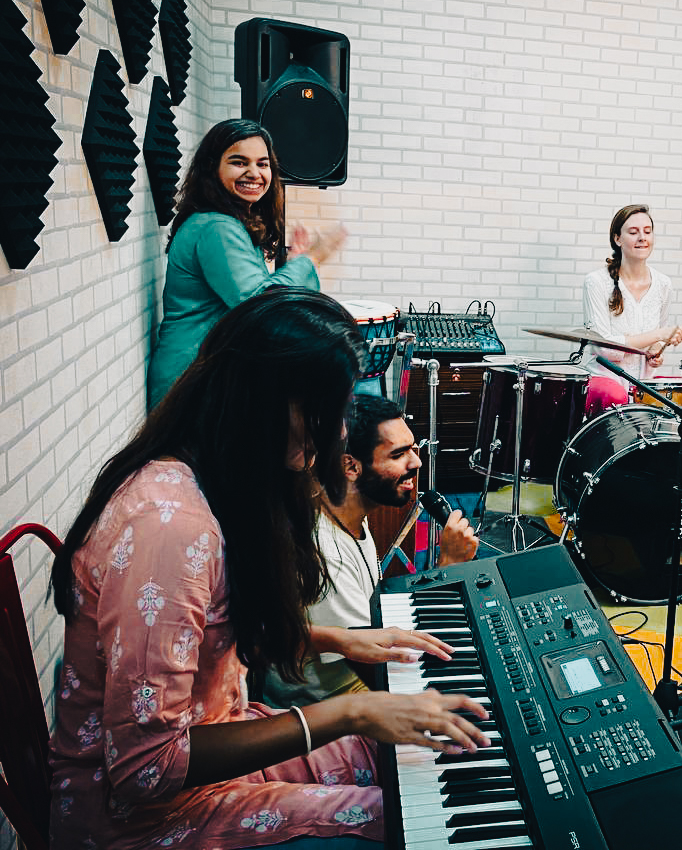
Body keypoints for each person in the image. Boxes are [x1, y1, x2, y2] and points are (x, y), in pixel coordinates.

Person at [49, 288, 490, 849]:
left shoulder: (212, 482)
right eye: (329, 411)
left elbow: (211, 639)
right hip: (138, 822)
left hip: (217, 745)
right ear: (268, 403)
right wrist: (349, 711)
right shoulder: (169, 529)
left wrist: (343, 641)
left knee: (414, 758)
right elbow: (145, 769)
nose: (336, 433)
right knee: (412, 827)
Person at [262, 394, 480, 707]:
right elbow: (383, 668)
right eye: (399, 454)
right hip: (330, 715)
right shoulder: (325, 553)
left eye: (414, 449)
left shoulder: (350, 518)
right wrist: (448, 568)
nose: (416, 463)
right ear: (350, 466)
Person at [146, 119, 348, 409]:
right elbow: (259, 304)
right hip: (193, 380)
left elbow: (256, 296)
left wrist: (294, 265)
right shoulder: (216, 227)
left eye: (263, 164)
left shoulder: (224, 222)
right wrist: (311, 259)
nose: (254, 173)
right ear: (212, 167)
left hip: (207, 375)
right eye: (239, 162)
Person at [581, 204, 682, 415]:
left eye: (647, 232)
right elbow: (605, 348)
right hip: (606, 381)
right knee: (616, 394)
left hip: (644, 383)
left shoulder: (663, 284)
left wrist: (656, 351)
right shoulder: (596, 282)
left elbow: (656, 341)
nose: (642, 237)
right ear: (617, 239)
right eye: (633, 232)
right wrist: (658, 335)